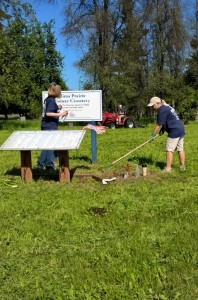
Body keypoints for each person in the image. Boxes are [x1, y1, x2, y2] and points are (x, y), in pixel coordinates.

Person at [147, 96, 185, 172]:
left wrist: (153, 135)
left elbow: (158, 125)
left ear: (158, 103)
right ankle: (182, 167)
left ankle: (168, 168)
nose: (152, 108)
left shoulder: (161, 110)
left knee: (169, 150)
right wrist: (163, 129)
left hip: (174, 131)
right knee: (180, 149)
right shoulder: (167, 107)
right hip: (180, 129)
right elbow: (168, 120)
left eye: (153, 105)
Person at [36, 83, 68, 170]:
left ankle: (46, 164)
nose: (60, 92)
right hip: (49, 126)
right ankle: (43, 164)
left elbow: (49, 109)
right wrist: (61, 113)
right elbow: (48, 113)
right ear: (56, 91)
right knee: (49, 146)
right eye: (59, 91)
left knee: (48, 146)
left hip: (48, 125)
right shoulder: (51, 100)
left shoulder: (48, 99)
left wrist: (57, 107)